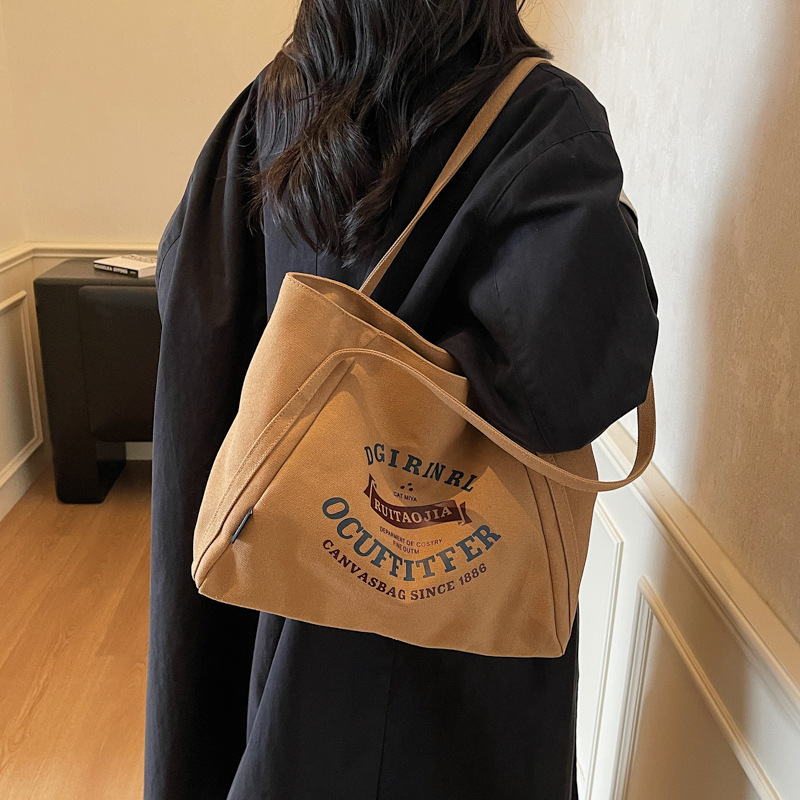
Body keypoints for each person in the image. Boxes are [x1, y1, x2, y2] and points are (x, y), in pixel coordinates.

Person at [145, 2, 659, 798]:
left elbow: (197, 322)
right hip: (466, 617)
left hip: (286, 575)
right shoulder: (536, 118)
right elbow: (575, 374)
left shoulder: (273, 109)